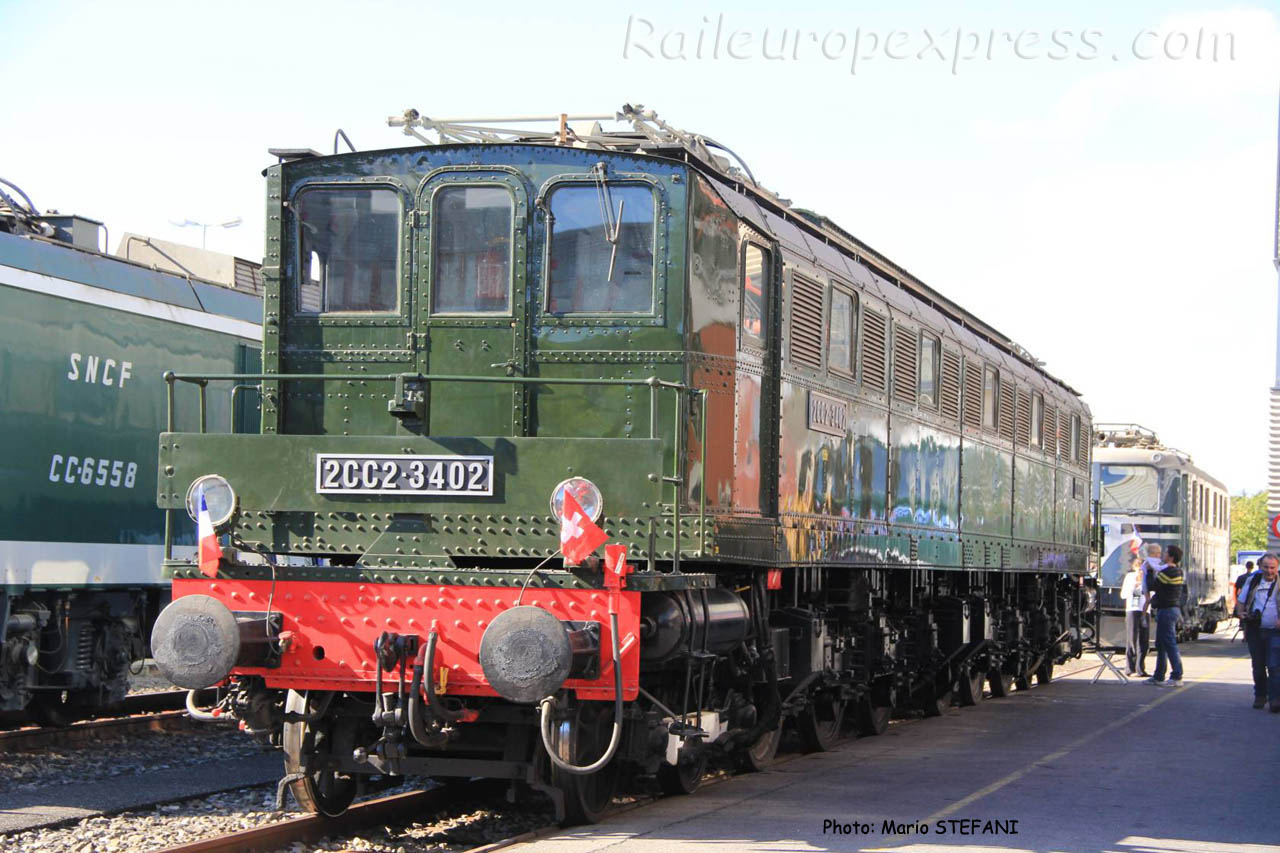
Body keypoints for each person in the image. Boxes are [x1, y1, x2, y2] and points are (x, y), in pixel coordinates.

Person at [1236, 553, 1280, 710]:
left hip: (1276, 631)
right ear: (1261, 567)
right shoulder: (1253, 580)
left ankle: (1275, 699)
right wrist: (1241, 614)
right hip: (1255, 630)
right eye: (1266, 567)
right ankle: (1260, 696)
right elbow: (1241, 600)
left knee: (1274, 665)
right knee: (1259, 666)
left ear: (1277, 567)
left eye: (1272, 568)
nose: (1269, 571)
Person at [1146, 544, 1184, 687]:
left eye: (1165, 552)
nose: (1163, 555)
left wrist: (1149, 572)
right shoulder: (1177, 571)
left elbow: (1152, 585)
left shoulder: (1167, 572)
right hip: (1170, 610)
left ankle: (1177, 675)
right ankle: (1159, 675)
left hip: (1166, 610)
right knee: (1161, 644)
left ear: (1171, 556)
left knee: (1169, 643)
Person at [1120, 555, 1149, 676]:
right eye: (1139, 569)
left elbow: (1151, 594)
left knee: (1143, 640)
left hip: (1144, 610)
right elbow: (1123, 595)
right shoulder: (1130, 577)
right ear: (1135, 568)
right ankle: (1129, 668)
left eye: (1143, 569)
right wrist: (1135, 585)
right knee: (1132, 638)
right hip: (1132, 609)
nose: (1141, 572)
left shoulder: (1147, 578)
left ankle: (1140, 668)